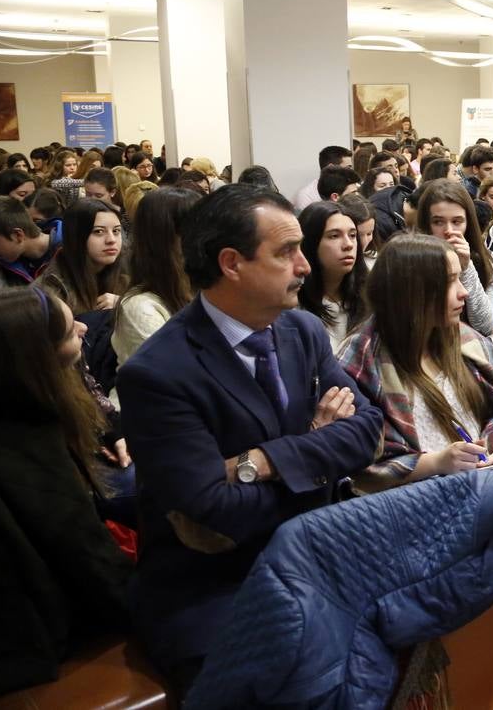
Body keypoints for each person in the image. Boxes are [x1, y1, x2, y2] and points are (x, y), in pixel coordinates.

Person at [116, 185, 384, 696]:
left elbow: (369, 429)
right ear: (232, 263)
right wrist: (318, 451)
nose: (305, 267)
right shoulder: (158, 372)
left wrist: (263, 460)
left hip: (315, 554)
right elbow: (213, 511)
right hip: (217, 583)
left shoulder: (301, 330)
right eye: (287, 252)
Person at [0, 288, 134, 693]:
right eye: (71, 331)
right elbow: (84, 554)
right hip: (28, 632)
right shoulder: (28, 443)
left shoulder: (13, 403)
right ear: (38, 357)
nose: (85, 328)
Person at [337, 234, 493, 491]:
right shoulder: (360, 361)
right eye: (451, 281)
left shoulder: (465, 339)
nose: (463, 292)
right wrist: (436, 463)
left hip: (486, 485)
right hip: (414, 504)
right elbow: (356, 467)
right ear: (414, 293)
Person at [113, 188, 201, 365]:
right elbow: (176, 374)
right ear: (164, 238)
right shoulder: (141, 309)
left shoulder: (200, 287)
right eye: (194, 229)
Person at [416, 179, 493, 335]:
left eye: (456, 221)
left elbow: (486, 326)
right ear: (426, 224)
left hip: (471, 345)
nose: (449, 230)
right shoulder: (410, 261)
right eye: (438, 222)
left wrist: (466, 268)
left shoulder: (485, 261)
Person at [38, 198, 128, 316]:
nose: (111, 240)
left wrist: (124, 303)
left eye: (116, 231)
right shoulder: (51, 289)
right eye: (99, 232)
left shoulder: (130, 271)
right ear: (76, 236)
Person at [296, 202, 368, 347]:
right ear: (311, 243)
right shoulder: (292, 303)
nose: (348, 244)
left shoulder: (369, 296)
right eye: (334, 236)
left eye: (353, 235)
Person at [294, 146, 353, 212]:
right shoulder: (306, 196)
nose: (351, 171)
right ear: (331, 168)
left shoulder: (351, 189)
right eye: (348, 168)